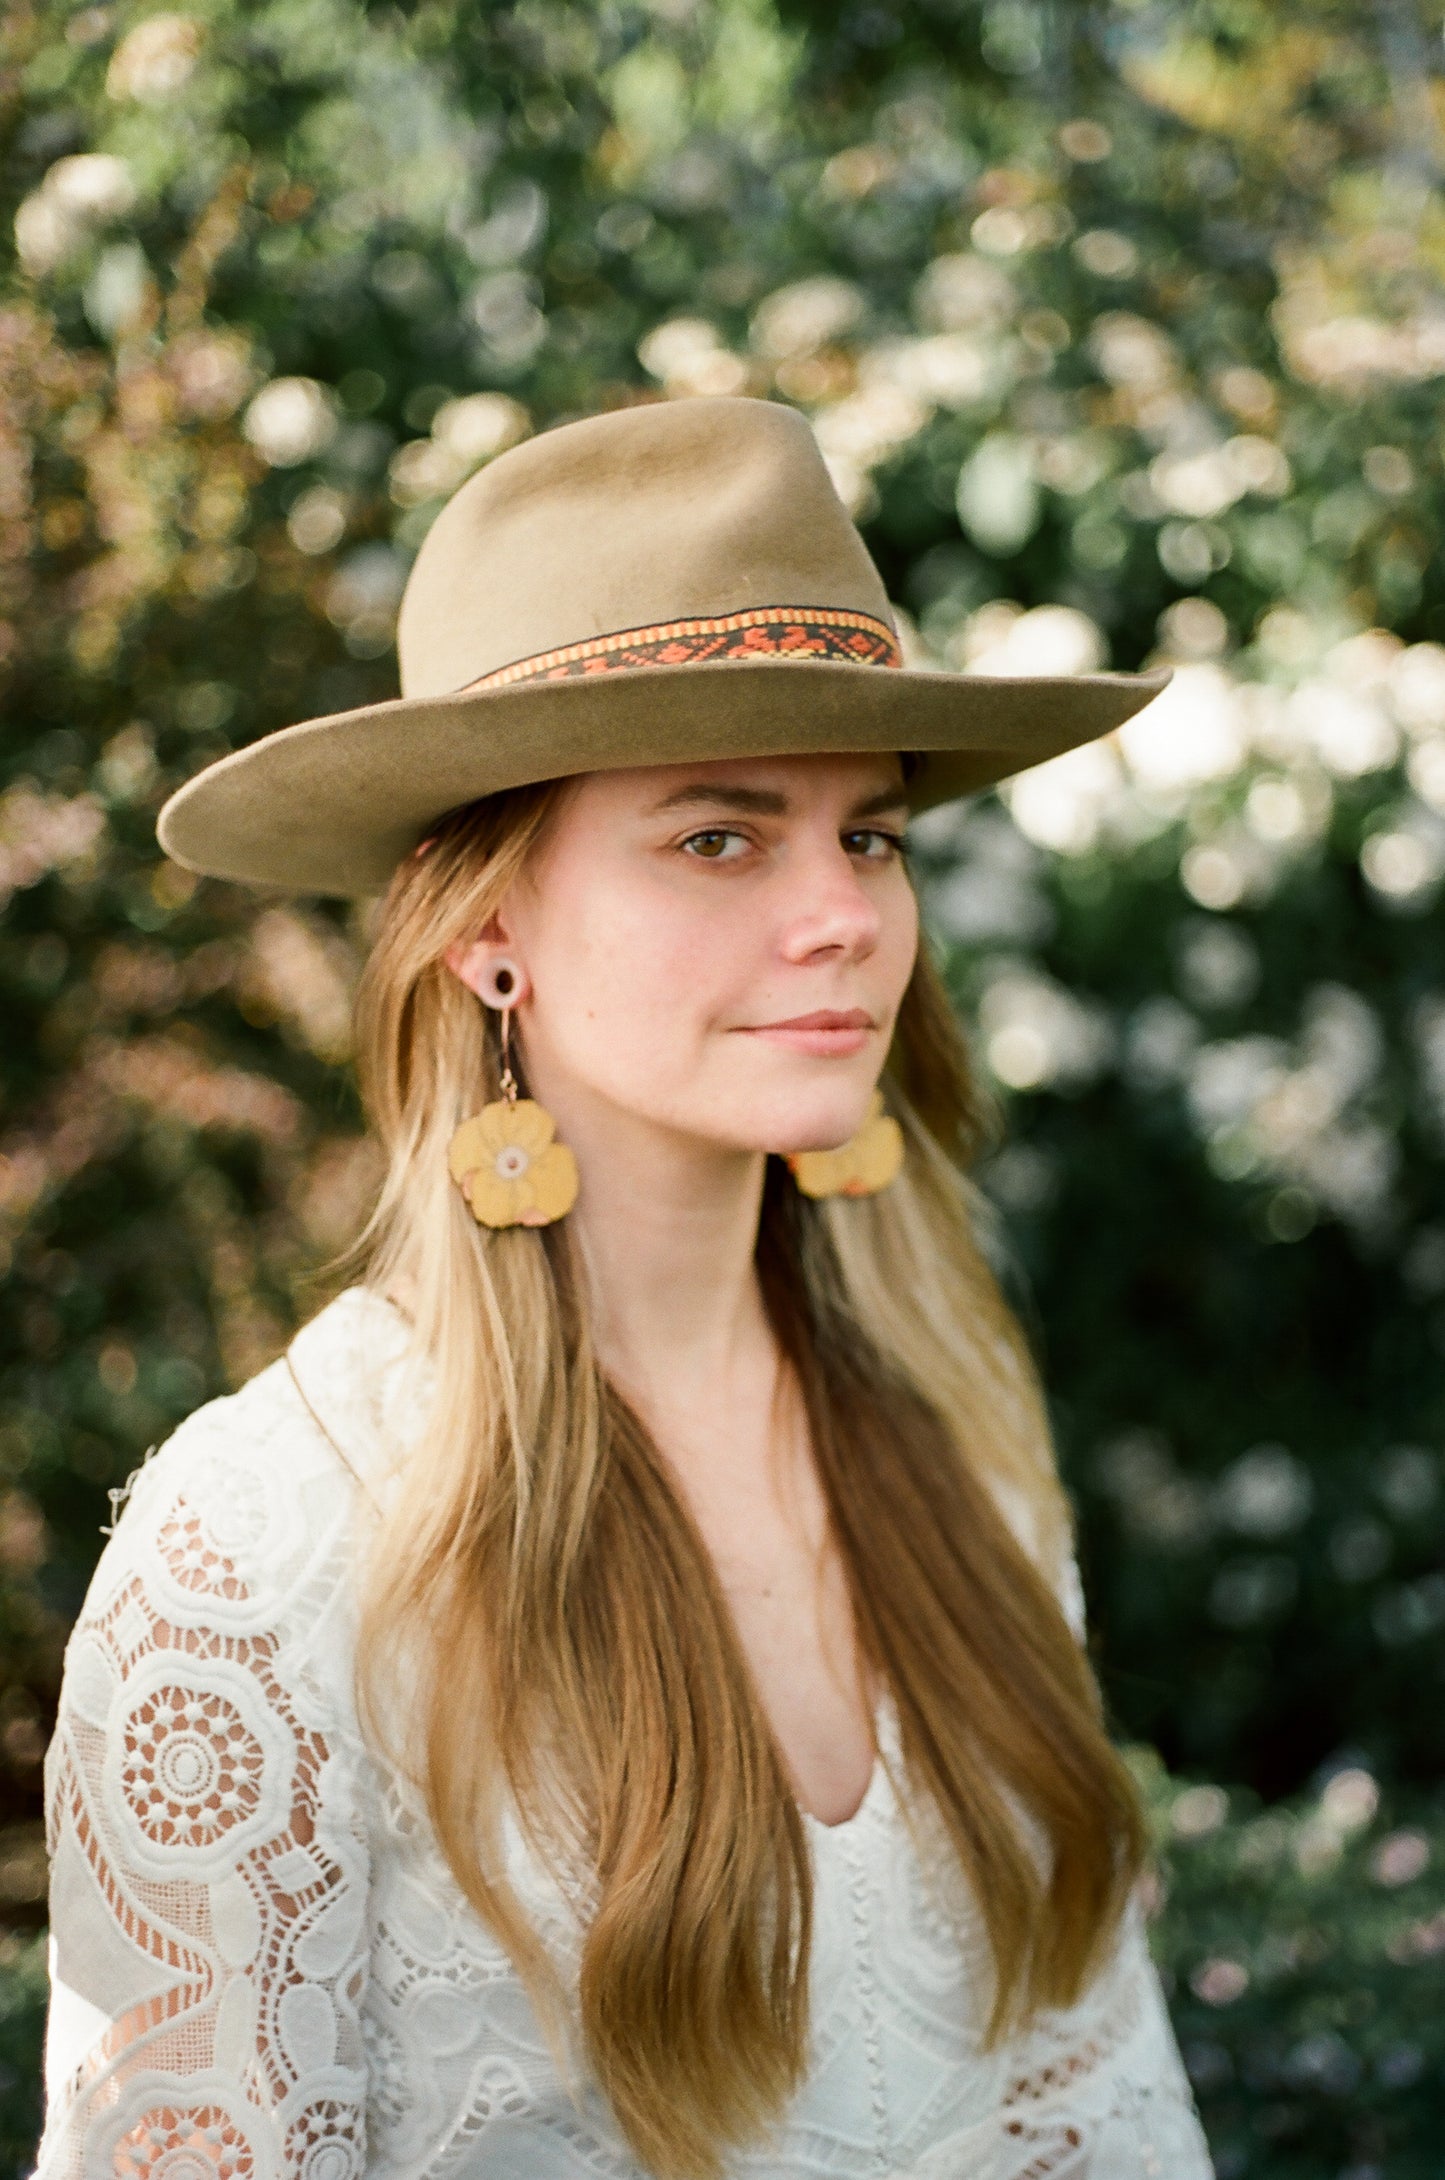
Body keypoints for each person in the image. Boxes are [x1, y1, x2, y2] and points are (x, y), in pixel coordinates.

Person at [34, 396, 1213, 2179]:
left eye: (869, 836)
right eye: (718, 838)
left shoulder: (953, 1441)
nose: (841, 915)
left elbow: (1093, 2104)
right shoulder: (273, 1545)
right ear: (484, 929)